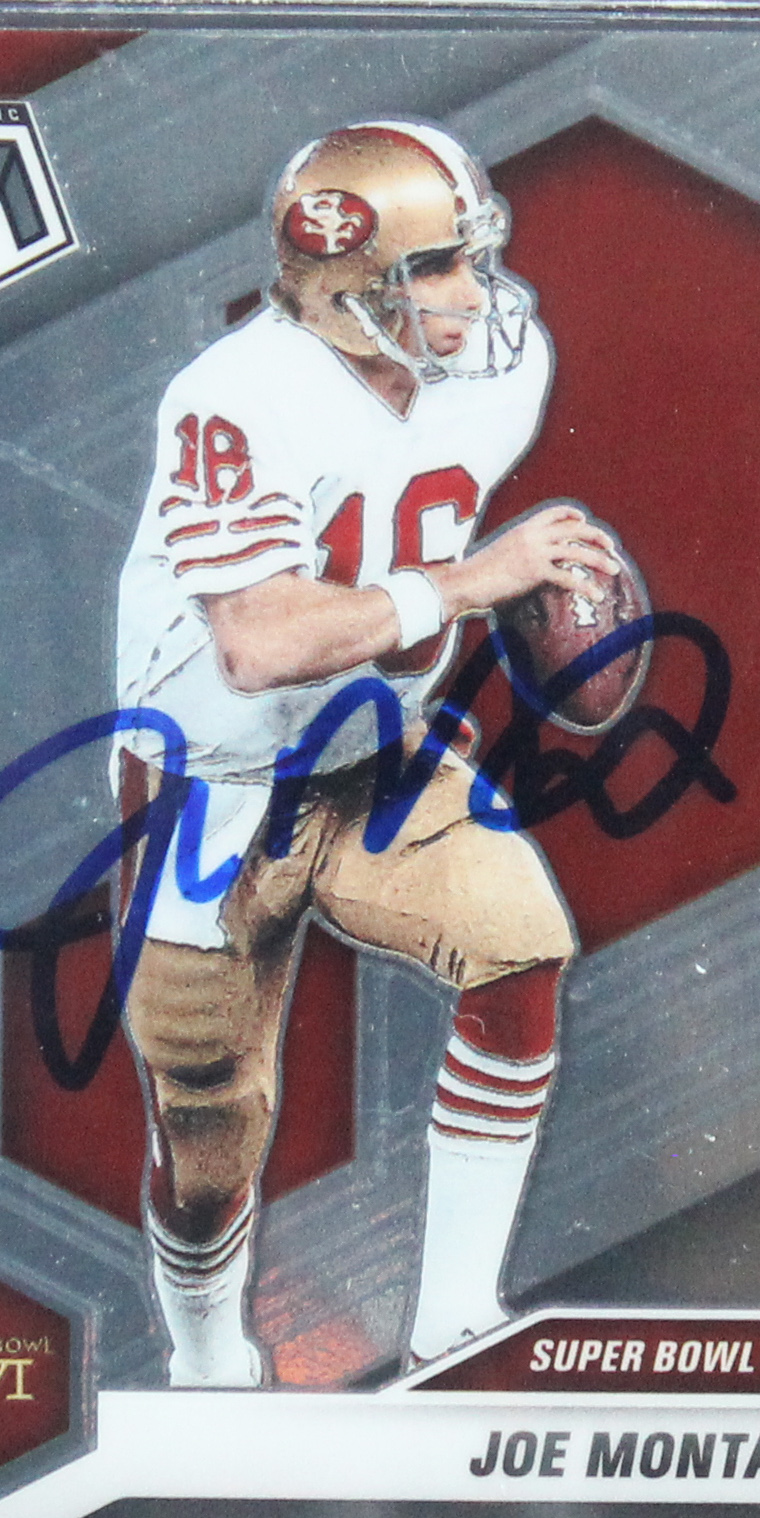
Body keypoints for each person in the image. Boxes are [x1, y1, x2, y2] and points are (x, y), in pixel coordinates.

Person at [114, 120, 620, 1385]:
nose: (473, 295)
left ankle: (455, 1321)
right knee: (206, 1137)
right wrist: (471, 581)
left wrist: (533, 586)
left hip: (377, 753)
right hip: (211, 785)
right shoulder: (236, 396)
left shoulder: (499, 369)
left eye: (472, 258)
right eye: (435, 267)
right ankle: (207, 1364)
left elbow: (426, 530)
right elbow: (257, 643)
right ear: (345, 285)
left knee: (519, 946)